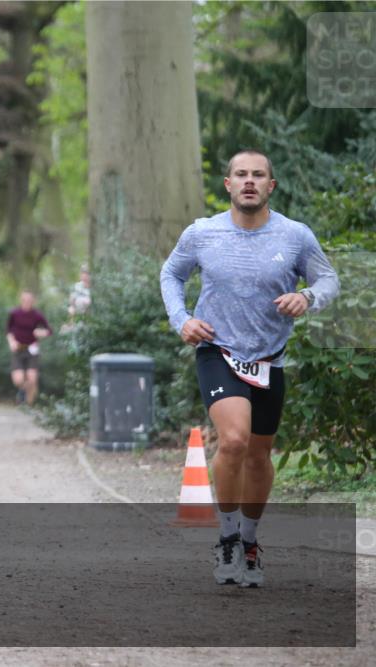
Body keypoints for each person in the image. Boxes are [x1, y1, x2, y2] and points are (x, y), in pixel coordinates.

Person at [160, 149, 339, 588]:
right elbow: (171, 275)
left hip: (269, 358)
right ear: (228, 184)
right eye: (241, 174)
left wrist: (308, 298)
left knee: (259, 456)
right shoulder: (202, 233)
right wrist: (182, 320)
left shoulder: (295, 236)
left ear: (270, 186)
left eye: (258, 175)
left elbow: (328, 279)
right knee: (235, 440)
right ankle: (225, 538)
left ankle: (251, 541)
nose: (249, 182)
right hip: (216, 349)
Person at [6, 290, 52, 405]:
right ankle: (22, 391)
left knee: (32, 379)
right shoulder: (15, 313)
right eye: (24, 300)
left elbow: (49, 330)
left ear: (33, 301)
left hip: (32, 349)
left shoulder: (37, 315)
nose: (27, 302)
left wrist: (41, 332)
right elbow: (8, 330)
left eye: (29, 300)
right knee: (18, 380)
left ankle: (29, 406)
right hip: (18, 349)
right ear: (21, 300)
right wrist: (11, 342)